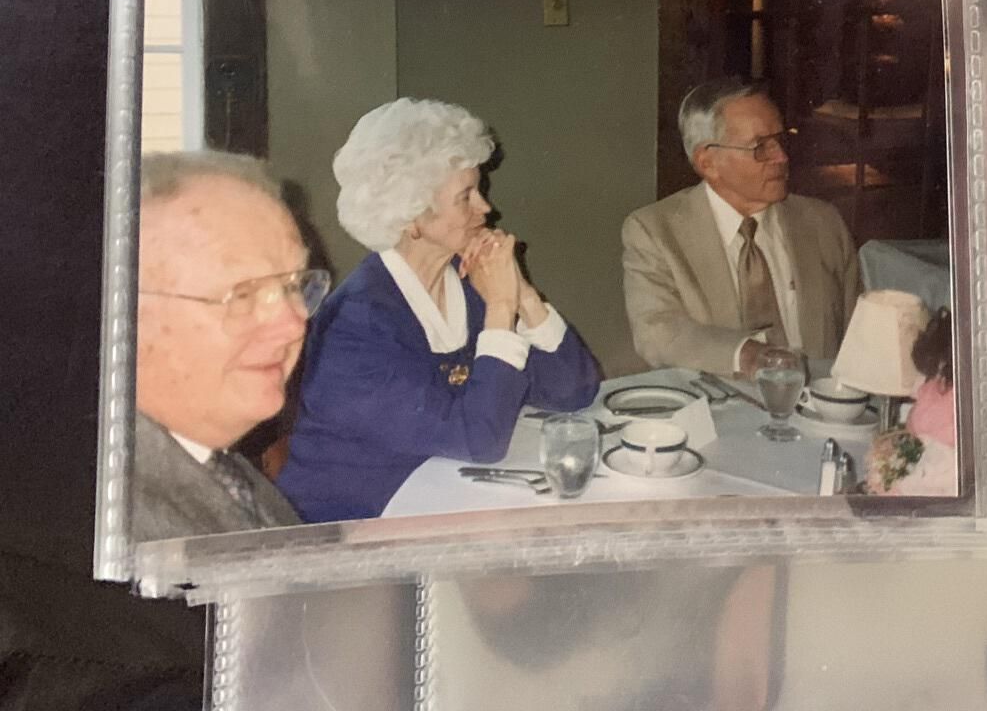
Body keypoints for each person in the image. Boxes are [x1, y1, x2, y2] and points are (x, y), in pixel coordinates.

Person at [278, 100, 600, 522]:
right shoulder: (355, 326)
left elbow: (573, 393)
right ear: (412, 216)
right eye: (466, 197)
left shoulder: (470, 283)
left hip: (437, 504)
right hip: (350, 526)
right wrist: (501, 308)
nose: (486, 208)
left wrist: (522, 295)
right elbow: (479, 440)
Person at [132, 151, 324, 541]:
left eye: (293, 286)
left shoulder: (214, 464)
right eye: (243, 294)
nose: (293, 324)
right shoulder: (122, 528)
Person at [621, 79, 860, 376]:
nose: (781, 157)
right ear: (708, 163)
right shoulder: (655, 231)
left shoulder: (823, 223)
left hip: (816, 399)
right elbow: (657, 333)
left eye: (781, 140)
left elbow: (858, 332)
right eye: (760, 147)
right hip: (716, 399)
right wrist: (748, 355)